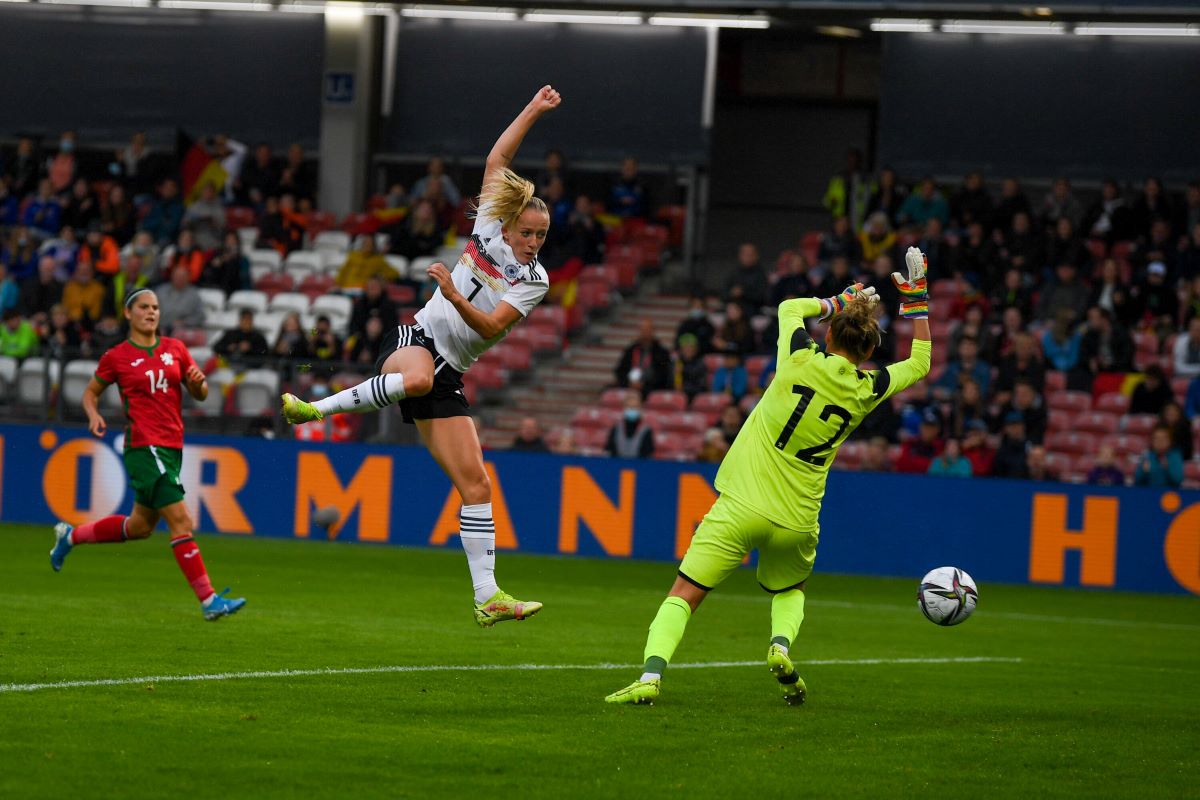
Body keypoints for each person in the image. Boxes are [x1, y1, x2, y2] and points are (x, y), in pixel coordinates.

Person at [280, 85, 562, 628]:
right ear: (505, 224)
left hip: (448, 371)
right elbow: (497, 159)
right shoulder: (486, 227)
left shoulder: (535, 279)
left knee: (476, 485)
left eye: (542, 235)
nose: (533, 242)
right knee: (414, 378)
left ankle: (487, 596)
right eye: (527, 232)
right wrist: (532, 109)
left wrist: (455, 294)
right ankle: (315, 410)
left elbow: (493, 327)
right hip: (415, 339)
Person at [605, 248, 931, 706]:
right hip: (798, 516)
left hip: (742, 503)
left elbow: (789, 307)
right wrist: (916, 301)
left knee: (685, 594)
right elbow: (920, 364)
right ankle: (780, 646)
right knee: (791, 588)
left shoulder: (798, 358)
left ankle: (651, 677)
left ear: (831, 333)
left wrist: (837, 302)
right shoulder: (868, 388)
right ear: (870, 351)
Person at [48, 287, 246, 620]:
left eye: (155, 307)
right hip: (144, 446)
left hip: (171, 448)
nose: (152, 312)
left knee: (140, 526)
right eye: (144, 307)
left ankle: (71, 535)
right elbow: (91, 392)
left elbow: (199, 392)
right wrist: (93, 413)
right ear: (129, 313)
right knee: (182, 521)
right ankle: (209, 600)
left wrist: (198, 383)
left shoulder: (175, 349)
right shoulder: (117, 357)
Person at [615, 318, 673, 398]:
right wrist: (629, 383)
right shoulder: (631, 350)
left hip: (652, 389)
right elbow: (620, 370)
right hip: (630, 386)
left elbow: (664, 374)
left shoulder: (661, 352)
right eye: (642, 330)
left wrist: (645, 384)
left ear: (653, 331)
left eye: (647, 330)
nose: (644, 332)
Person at [155, 265, 205, 333]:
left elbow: (200, 316)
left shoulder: (194, 295)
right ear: (172, 277)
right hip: (160, 327)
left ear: (188, 278)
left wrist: (185, 322)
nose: (179, 279)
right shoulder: (160, 291)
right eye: (177, 276)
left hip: (183, 330)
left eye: (183, 277)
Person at [605, 393, 656, 459]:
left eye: (635, 407)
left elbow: (647, 456)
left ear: (640, 409)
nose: (632, 409)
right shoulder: (615, 429)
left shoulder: (646, 431)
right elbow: (609, 453)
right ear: (624, 408)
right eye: (629, 407)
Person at [725, 243, 769, 311]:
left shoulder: (761, 274)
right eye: (745, 254)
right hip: (733, 311)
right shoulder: (734, 273)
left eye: (750, 255)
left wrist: (744, 292)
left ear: (756, 256)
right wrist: (732, 293)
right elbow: (723, 293)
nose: (748, 257)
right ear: (740, 256)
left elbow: (763, 297)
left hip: (754, 311)